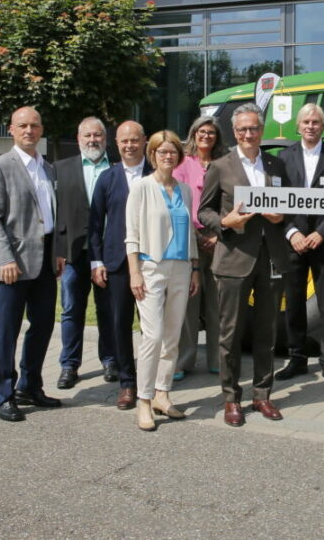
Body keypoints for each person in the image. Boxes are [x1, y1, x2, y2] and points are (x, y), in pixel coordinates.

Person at [198, 103, 292, 427]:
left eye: (253, 128)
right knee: (230, 334)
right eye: (242, 129)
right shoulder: (220, 166)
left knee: (267, 331)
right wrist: (225, 222)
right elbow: (204, 212)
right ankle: (231, 398)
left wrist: (281, 216)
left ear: (262, 130)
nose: (248, 134)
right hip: (234, 258)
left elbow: (287, 206)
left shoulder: (276, 164)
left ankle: (262, 395)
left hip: (271, 258)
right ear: (235, 132)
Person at [0, 106, 64, 422]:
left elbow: (50, 217)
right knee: (7, 330)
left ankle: (30, 386)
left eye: (35, 125)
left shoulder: (48, 168)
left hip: (45, 262)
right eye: (23, 125)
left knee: (42, 326)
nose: (29, 130)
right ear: (11, 129)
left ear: (42, 130)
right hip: (12, 264)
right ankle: (4, 394)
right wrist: (5, 258)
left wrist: (57, 252)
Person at [125, 130, 200, 431]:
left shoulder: (185, 190)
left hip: (181, 268)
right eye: (162, 151)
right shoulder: (141, 187)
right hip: (151, 268)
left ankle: (162, 394)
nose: (168, 156)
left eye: (173, 152)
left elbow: (190, 232)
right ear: (152, 155)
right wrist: (134, 272)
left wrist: (195, 268)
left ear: (179, 156)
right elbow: (131, 235)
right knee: (153, 336)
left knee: (172, 336)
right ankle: (143, 400)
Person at [275, 104, 324, 386]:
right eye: (306, 122)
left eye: (316, 122)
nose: (311, 126)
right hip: (294, 241)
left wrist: (322, 232)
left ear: (323, 126)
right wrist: (292, 232)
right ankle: (297, 358)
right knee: (293, 303)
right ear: (298, 126)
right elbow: (276, 200)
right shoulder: (283, 158)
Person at [90, 121, 152, 411]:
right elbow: (94, 224)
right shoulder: (107, 178)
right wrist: (97, 261)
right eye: (124, 141)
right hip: (116, 263)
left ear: (144, 141)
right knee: (120, 324)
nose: (129, 145)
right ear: (116, 143)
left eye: (134, 140)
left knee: (152, 327)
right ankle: (127, 383)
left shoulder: (158, 174)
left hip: (152, 262)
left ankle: (153, 383)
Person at [54, 116, 116, 390]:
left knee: (109, 310)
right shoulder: (60, 168)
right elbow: (55, 212)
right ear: (79, 139)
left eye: (97, 135)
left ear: (106, 139)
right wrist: (58, 250)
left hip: (109, 252)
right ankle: (69, 364)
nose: (93, 140)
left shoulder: (117, 169)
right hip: (74, 253)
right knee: (71, 310)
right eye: (87, 135)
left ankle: (111, 360)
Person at [174, 116, 227, 380]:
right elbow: (177, 201)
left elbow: (229, 201)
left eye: (211, 132)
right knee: (189, 303)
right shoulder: (182, 163)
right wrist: (196, 234)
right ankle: (184, 360)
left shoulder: (224, 163)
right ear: (194, 134)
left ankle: (218, 359)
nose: (206, 136)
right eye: (202, 131)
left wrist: (217, 235)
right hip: (189, 237)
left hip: (219, 238)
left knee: (218, 303)